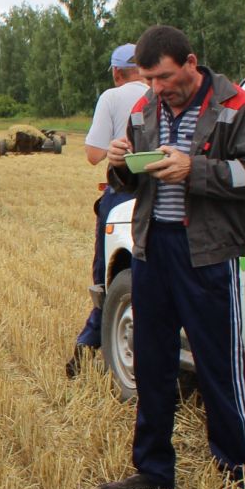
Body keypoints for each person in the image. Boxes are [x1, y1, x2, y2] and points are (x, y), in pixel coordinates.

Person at [101, 25, 245, 489]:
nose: (158, 88)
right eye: (150, 79)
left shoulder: (238, 107)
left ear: (192, 63)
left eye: (165, 77)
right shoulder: (143, 109)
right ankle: (153, 471)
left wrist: (194, 170)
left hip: (208, 252)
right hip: (154, 248)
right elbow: (132, 183)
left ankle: (238, 473)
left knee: (219, 367)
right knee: (152, 363)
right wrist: (119, 163)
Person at [68, 43, 150, 375]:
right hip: (166, 191)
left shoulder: (112, 98)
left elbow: (93, 153)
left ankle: (89, 344)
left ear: (117, 72)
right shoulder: (163, 94)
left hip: (125, 190)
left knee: (109, 273)